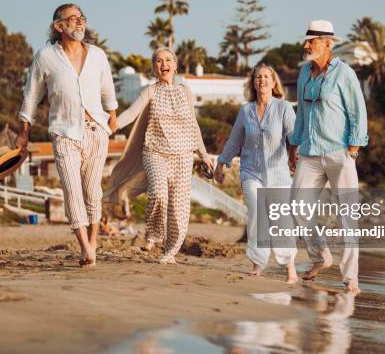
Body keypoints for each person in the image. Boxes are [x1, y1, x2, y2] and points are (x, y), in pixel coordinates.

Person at [16, 3, 118, 268]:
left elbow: (108, 90)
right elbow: (31, 97)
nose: (79, 23)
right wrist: (24, 133)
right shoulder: (45, 57)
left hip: (96, 131)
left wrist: (113, 117)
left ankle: (93, 242)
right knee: (72, 192)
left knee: (93, 193)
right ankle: (85, 247)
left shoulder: (97, 55)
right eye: (72, 19)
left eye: (81, 18)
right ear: (58, 26)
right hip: (64, 133)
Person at [106, 47, 213, 264]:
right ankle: (153, 236)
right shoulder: (150, 91)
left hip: (183, 155)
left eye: (167, 60)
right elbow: (131, 113)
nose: (163, 64)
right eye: (158, 61)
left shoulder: (185, 91)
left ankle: (170, 252)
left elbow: (193, 125)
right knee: (159, 193)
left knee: (178, 206)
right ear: (154, 68)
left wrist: (203, 154)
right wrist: (111, 126)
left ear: (175, 65)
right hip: (155, 152)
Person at [289, 20, 368, 293]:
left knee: (347, 216)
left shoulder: (344, 73)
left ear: (327, 43)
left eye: (311, 41)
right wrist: (293, 146)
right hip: (309, 151)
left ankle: (351, 279)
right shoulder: (303, 74)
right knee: (297, 206)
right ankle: (321, 256)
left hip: (339, 152)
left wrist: (354, 149)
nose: (306, 44)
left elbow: (358, 111)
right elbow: (301, 114)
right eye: (306, 40)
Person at [215, 64, 298, 283]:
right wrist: (221, 163)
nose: (261, 80)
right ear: (253, 82)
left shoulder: (284, 108)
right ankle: (257, 262)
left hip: (278, 174)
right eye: (257, 77)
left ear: (273, 82)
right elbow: (235, 140)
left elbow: (295, 137)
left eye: (266, 77)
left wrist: (295, 156)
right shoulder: (246, 110)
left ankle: (290, 267)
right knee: (256, 214)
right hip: (251, 171)